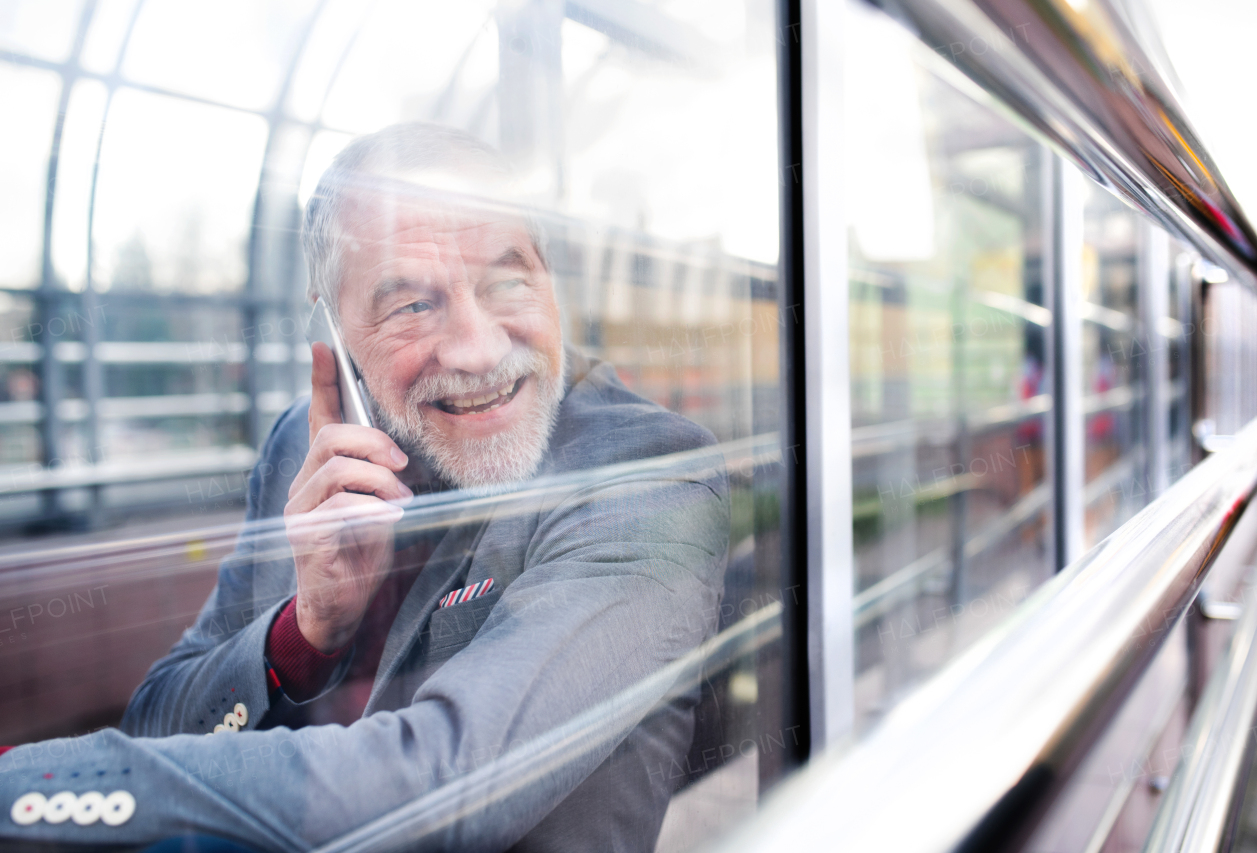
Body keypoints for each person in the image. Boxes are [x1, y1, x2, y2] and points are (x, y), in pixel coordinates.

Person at [0, 123, 729, 852]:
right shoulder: (306, 450)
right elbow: (158, 719)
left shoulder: (650, 472)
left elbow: (453, 783)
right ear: (334, 328)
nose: (477, 349)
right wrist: (306, 630)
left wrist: (37, 790)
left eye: (507, 281)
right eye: (412, 305)